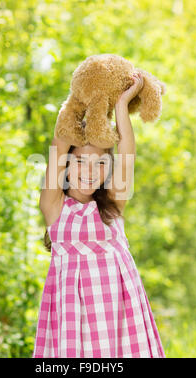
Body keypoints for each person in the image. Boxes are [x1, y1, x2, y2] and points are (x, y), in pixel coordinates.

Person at [32, 72, 165, 358]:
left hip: (119, 315)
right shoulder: (54, 206)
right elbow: (58, 143)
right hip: (72, 320)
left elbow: (127, 151)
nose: (90, 171)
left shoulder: (113, 205)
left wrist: (121, 105)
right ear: (65, 165)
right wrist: (82, 103)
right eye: (79, 161)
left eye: (100, 163)